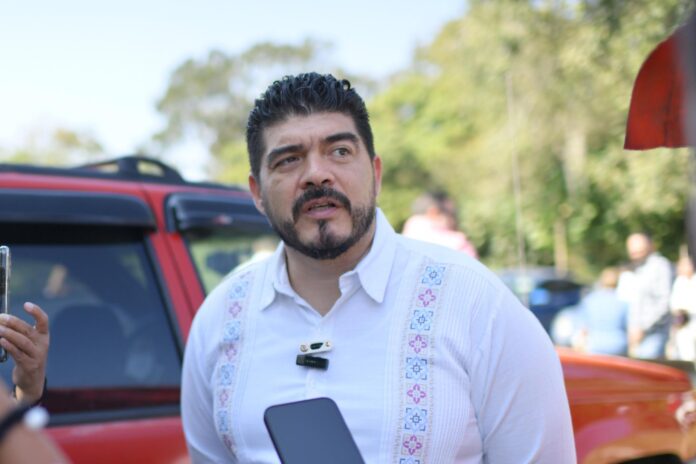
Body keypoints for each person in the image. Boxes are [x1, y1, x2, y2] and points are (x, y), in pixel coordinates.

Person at [181, 73, 575, 463]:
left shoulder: (476, 305)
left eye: (340, 151)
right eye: (288, 160)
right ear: (257, 193)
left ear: (376, 174)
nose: (316, 174)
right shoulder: (220, 318)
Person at [624, 232, 673, 359]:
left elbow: (664, 303)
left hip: (654, 334)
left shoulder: (660, 266)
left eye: (638, 251)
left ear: (650, 247)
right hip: (638, 336)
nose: (635, 254)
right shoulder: (639, 269)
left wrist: (642, 327)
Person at [402, 191, 478, 258]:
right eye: (451, 213)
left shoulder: (402, 244)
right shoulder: (458, 244)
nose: (454, 220)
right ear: (433, 212)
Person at [574, 267, 629, 356]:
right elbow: (630, 328)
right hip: (618, 347)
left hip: (594, 346)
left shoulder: (590, 300)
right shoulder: (624, 302)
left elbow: (582, 327)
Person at [669, 255, 696, 361]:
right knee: (686, 351)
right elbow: (674, 304)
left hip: (693, 320)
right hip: (683, 323)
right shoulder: (679, 282)